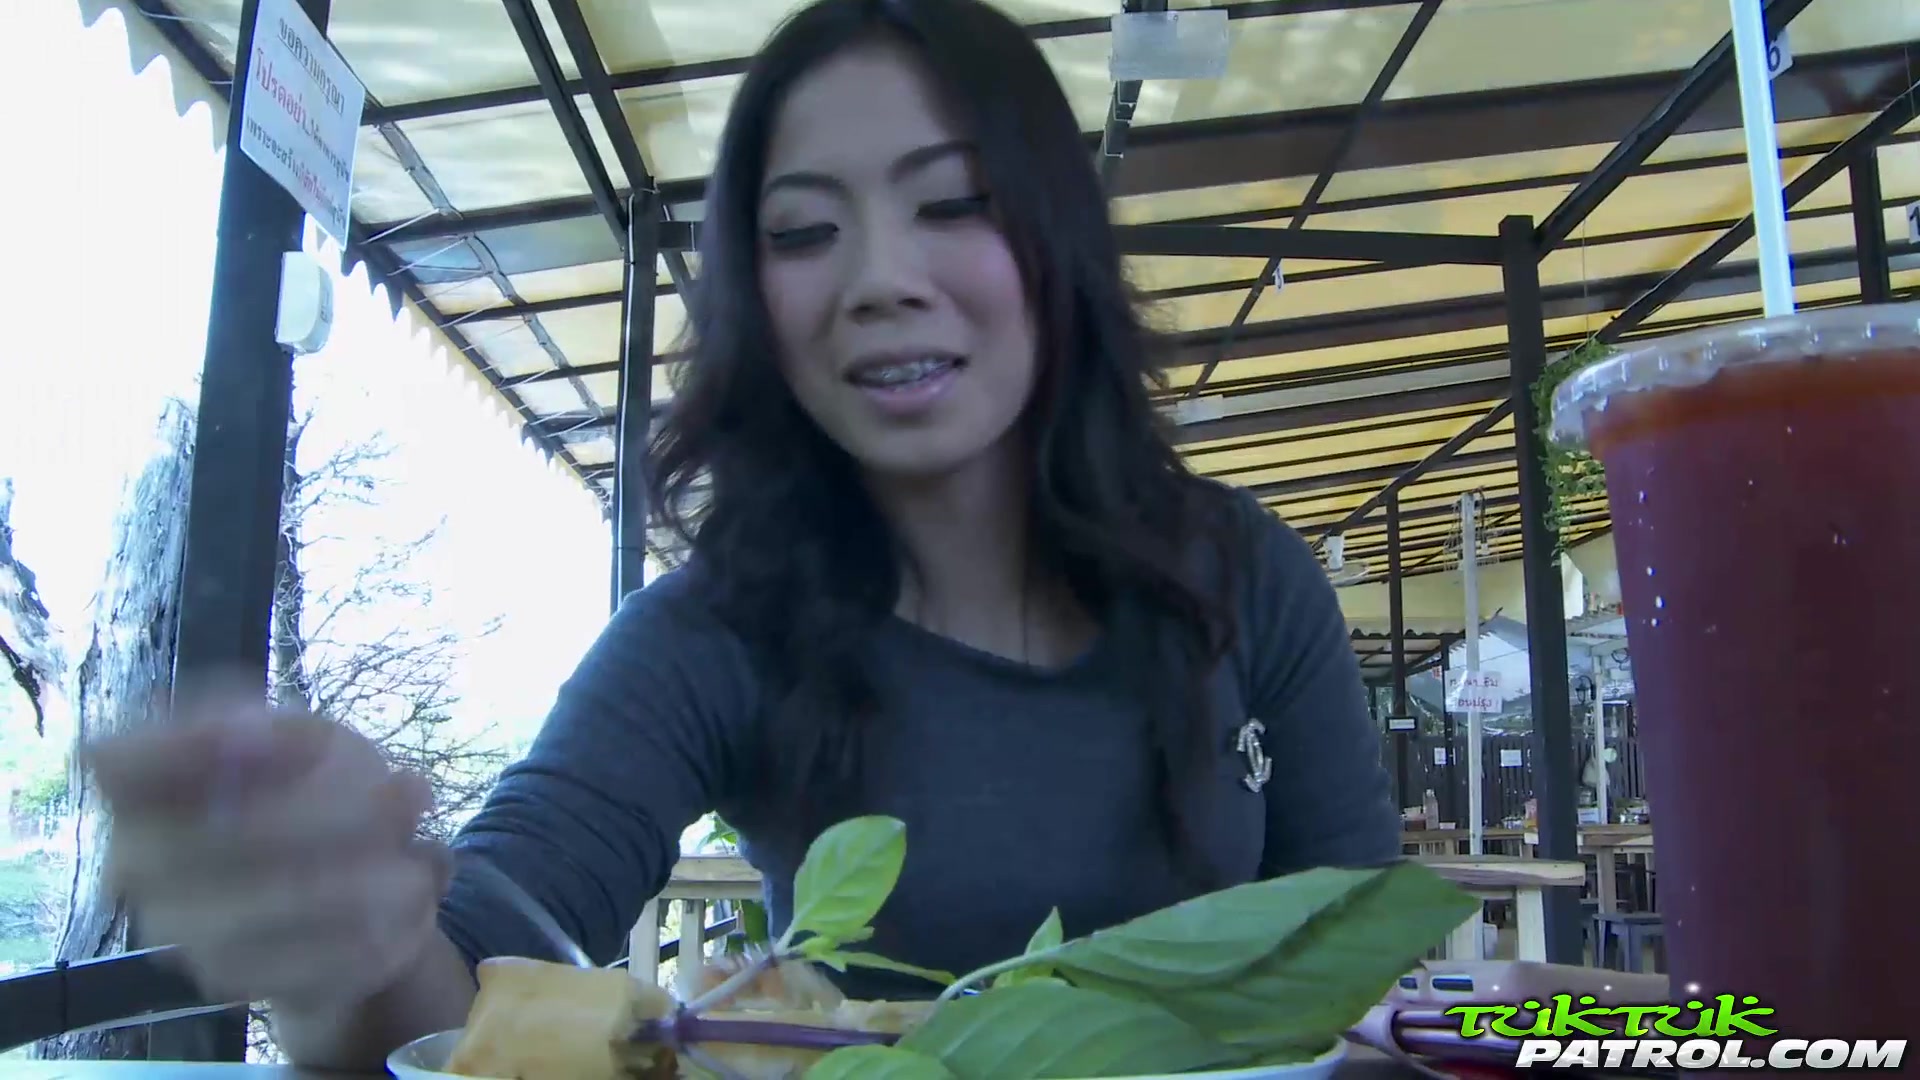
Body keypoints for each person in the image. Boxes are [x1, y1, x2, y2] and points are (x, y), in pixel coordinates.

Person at [90, 0, 1400, 1067]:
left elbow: (1363, 958)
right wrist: (348, 946)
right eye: (804, 231)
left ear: (1056, 241)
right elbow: (472, 978)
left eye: (953, 203)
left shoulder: (1244, 576)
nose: (879, 279)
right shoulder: (720, 632)